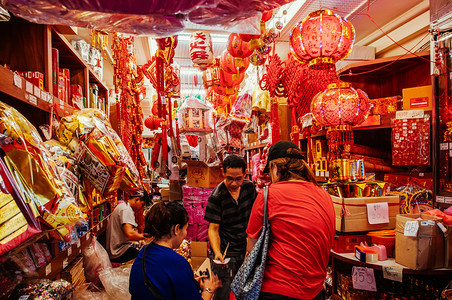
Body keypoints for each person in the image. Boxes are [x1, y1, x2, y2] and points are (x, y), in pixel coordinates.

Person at [246, 141, 335, 300]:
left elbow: (251, 249)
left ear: (275, 167)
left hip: (276, 290)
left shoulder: (268, 195)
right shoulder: (325, 196)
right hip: (316, 291)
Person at [129, 202, 221, 300]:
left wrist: (189, 281)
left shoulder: (144, 251)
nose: (186, 234)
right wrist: (208, 289)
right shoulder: (177, 262)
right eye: (185, 229)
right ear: (176, 229)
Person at [204, 154, 257, 299]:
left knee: (245, 291)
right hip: (225, 255)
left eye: (238, 179)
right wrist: (217, 252)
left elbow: (256, 216)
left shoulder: (249, 188)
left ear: (244, 174)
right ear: (223, 173)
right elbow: (213, 229)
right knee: (223, 294)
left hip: (245, 249)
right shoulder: (216, 197)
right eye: (229, 179)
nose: (234, 183)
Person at [106, 188, 150, 263]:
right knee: (148, 256)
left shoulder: (124, 206)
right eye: (142, 205)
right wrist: (146, 236)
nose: (141, 208)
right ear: (137, 199)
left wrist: (139, 239)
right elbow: (129, 234)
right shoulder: (126, 209)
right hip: (119, 252)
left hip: (118, 249)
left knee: (145, 249)